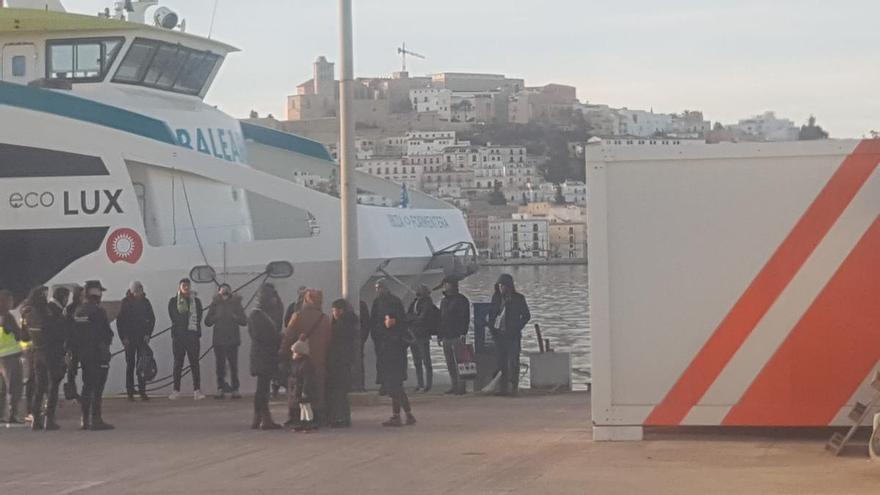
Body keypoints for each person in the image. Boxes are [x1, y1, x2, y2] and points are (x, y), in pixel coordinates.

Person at [280, 289, 330, 427]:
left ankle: (296, 417)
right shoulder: (325, 319)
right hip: (319, 360)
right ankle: (317, 417)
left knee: (296, 387)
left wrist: (283, 353)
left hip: (299, 360)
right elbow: (330, 340)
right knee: (316, 388)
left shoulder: (297, 316)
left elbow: (288, 337)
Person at [71, 280, 115, 430]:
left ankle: (84, 419)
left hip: (83, 354)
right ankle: (96, 419)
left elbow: (74, 335)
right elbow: (106, 334)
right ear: (96, 293)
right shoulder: (98, 311)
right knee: (97, 388)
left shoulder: (78, 311)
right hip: (97, 354)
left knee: (86, 386)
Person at [20, 287, 65, 430]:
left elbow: (24, 336)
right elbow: (56, 334)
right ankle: (49, 419)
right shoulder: (46, 313)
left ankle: (35, 420)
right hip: (50, 353)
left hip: (36, 353)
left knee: (39, 387)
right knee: (52, 386)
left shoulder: (28, 314)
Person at [489, 274, 531, 397]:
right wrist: (492, 328)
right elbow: (491, 314)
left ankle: (514, 387)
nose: (501, 288)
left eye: (503, 286)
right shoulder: (496, 298)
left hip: (513, 335)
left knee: (513, 361)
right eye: (499, 286)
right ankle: (503, 388)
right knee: (501, 362)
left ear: (509, 286)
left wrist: (517, 327)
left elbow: (526, 316)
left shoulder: (518, 298)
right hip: (499, 335)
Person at [247, 286, 282, 430]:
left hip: (262, 355)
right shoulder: (257, 315)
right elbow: (260, 336)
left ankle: (259, 418)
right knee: (263, 389)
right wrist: (277, 338)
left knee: (262, 388)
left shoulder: (259, 314)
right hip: (263, 355)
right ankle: (264, 419)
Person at [204, 284, 247, 399]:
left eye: (227, 290)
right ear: (219, 292)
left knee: (233, 366)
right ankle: (220, 388)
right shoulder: (215, 304)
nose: (225, 292)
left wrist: (235, 317)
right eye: (222, 290)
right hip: (219, 340)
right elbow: (207, 321)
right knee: (220, 366)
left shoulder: (236, 303)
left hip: (232, 339)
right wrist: (216, 317)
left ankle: (235, 389)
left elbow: (244, 321)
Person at [116, 281, 156, 401]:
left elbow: (152, 319)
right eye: (138, 290)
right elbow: (120, 322)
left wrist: (148, 334)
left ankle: (142, 391)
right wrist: (123, 338)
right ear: (133, 291)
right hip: (129, 339)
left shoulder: (146, 302)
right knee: (130, 365)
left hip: (142, 339)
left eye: (141, 289)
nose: (140, 292)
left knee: (142, 365)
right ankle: (130, 391)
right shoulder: (125, 302)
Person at [168, 278, 205, 400]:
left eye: (188, 285)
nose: (186, 287)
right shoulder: (173, 302)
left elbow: (199, 317)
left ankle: (197, 390)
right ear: (179, 287)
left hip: (192, 336)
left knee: (195, 364)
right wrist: (186, 314)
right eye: (183, 285)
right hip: (179, 337)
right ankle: (176, 390)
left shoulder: (197, 301)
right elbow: (175, 317)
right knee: (178, 364)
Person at [379, 312, 416, 427]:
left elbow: (410, 340)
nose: (386, 322)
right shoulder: (387, 332)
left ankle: (399, 415)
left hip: (396, 364)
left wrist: (399, 340)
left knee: (396, 390)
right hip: (390, 363)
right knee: (397, 390)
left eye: (388, 319)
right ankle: (405, 415)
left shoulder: (400, 331)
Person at [370, 280, 405, 396]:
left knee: (394, 363)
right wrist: (375, 335)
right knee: (382, 363)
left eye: (379, 288)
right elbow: (373, 320)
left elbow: (402, 318)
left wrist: (394, 322)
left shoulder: (395, 301)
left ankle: (395, 385)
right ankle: (384, 384)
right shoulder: (377, 302)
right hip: (381, 338)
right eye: (376, 288)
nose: (378, 290)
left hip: (393, 338)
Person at [327, 299, 357, 427]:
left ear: (340, 311)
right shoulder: (351, 323)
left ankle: (339, 418)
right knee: (342, 392)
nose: (333, 313)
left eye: (335, 310)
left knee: (337, 391)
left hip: (338, 361)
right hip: (346, 361)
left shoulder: (340, 325)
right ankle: (345, 417)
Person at [438, 278, 470, 395]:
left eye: (446, 284)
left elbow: (465, 317)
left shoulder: (462, 300)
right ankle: (454, 385)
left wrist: (463, 333)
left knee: (461, 362)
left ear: (452, 285)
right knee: (450, 362)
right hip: (446, 335)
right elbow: (441, 319)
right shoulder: (444, 301)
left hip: (457, 335)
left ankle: (461, 387)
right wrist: (439, 335)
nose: (444, 286)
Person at [407, 285, 438, 393]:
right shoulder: (414, 302)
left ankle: (428, 384)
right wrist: (413, 319)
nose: (417, 291)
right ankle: (420, 383)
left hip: (422, 334)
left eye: (419, 290)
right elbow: (408, 315)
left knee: (426, 361)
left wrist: (412, 319)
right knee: (417, 361)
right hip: (413, 333)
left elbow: (423, 317)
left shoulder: (427, 303)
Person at [0, 289, 25, 424]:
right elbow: (18, 334)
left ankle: (1, 414)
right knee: (14, 386)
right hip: (10, 356)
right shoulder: (7, 317)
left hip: (1, 356)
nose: (12, 303)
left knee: (3, 388)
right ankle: (13, 414)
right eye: (10, 300)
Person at [289, 340, 318, 432]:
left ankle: (309, 423)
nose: (293, 354)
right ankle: (303, 422)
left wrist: (305, 391)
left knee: (306, 407)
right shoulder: (299, 363)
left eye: (294, 352)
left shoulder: (305, 365)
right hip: (299, 389)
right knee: (302, 406)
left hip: (304, 390)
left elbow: (307, 379)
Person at [62, 285, 83, 402]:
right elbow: (67, 327)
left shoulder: (74, 308)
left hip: (80, 342)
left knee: (75, 369)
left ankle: (74, 392)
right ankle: (72, 392)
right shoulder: (71, 309)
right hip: (73, 343)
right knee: (72, 369)